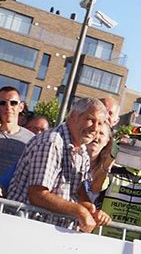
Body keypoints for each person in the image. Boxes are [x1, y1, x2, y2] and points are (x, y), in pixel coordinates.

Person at [7, 97, 108, 232]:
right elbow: (37, 194)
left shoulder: (82, 149)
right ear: (73, 116)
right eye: (91, 120)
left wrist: (91, 209)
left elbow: (78, 190)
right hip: (26, 228)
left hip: (48, 231)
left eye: (100, 123)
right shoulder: (52, 143)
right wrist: (80, 211)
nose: (95, 128)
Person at [0, 86, 35, 193]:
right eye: (2, 103)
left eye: (13, 103)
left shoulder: (31, 139)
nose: (8, 107)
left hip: (11, 198)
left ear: (21, 107)